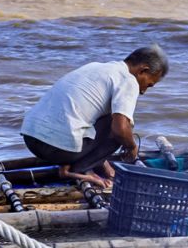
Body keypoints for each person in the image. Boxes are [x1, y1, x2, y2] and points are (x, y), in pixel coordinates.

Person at [21, 45, 168, 187]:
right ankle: (78, 169)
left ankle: (83, 165)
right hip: (56, 148)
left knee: (107, 119)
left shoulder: (95, 67)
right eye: (148, 85)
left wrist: (106, 166)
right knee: (122, 128)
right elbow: (120, 130)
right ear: (143, 70)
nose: (143, 91)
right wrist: (131, 147)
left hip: (31, 138)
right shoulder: (128, 80)